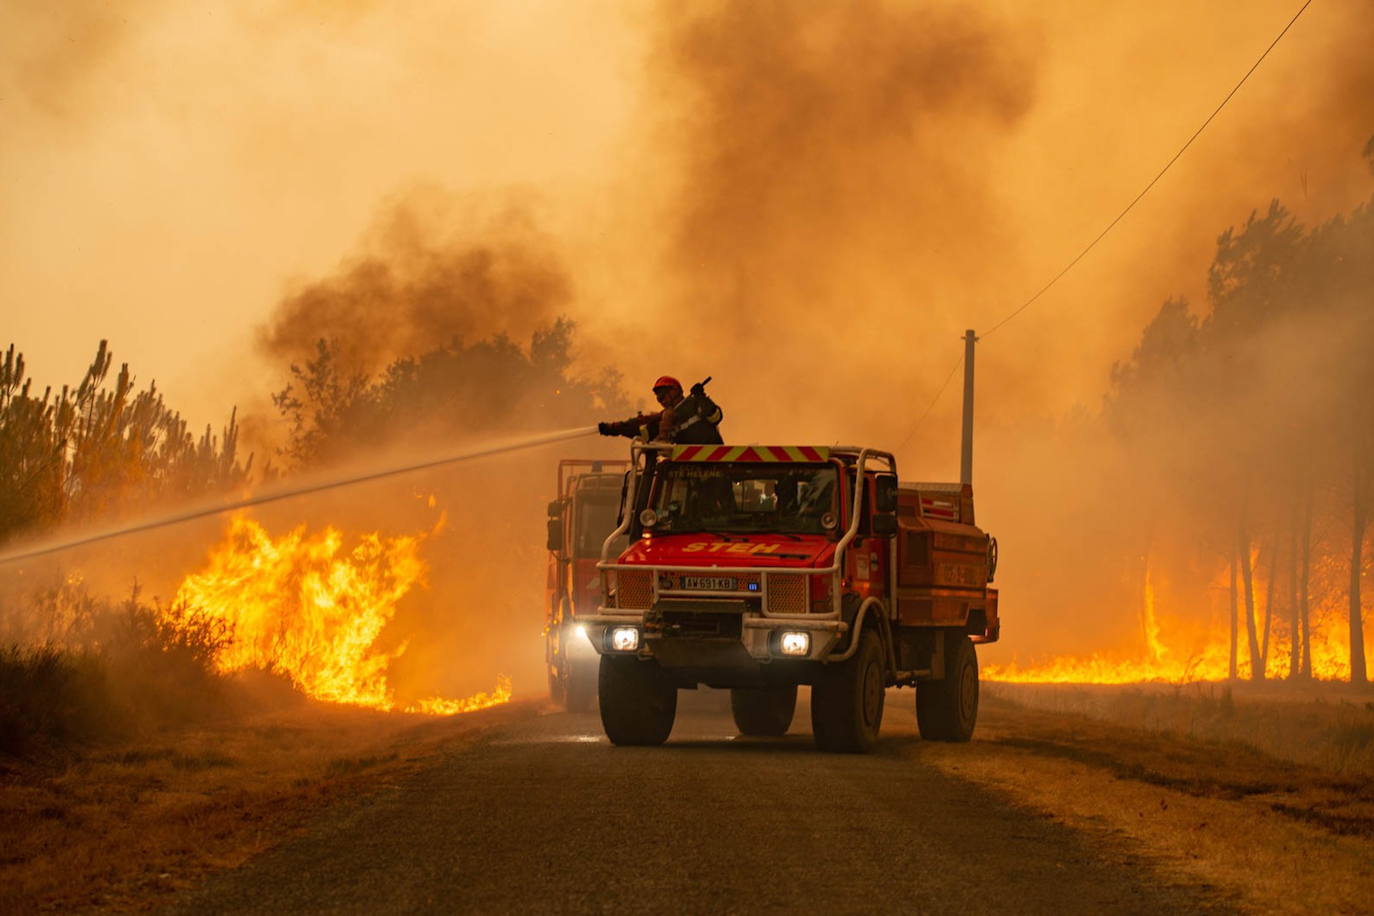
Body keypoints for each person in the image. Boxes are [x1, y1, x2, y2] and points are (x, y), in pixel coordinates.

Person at [598, 376, 724, 444]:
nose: (660, 399)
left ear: (675, 390)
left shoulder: (695, 403)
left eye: (662, 395)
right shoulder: (664, 420)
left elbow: (715, 417)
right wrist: (614, 428)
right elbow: (642, 431)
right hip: (684, 472)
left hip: (713, 466)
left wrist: (702, 398)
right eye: (658, 397)